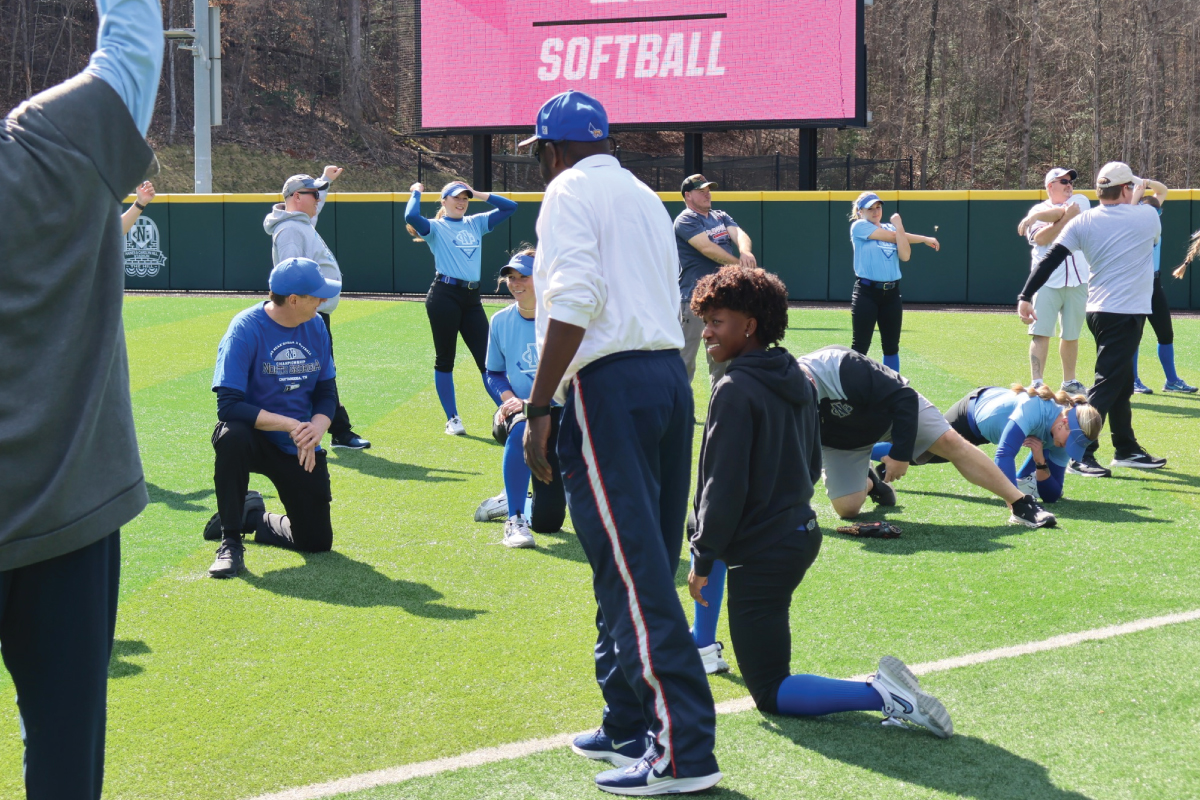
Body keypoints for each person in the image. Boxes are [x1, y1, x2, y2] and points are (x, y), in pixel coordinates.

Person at [519, 90, 721, 796]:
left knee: (633, 568)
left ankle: (684, 751)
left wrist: (540, 406)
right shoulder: (641, 191)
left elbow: (573, 300)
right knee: (634, 559)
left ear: (552, 148)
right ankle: (628, 721)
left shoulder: (569, 189)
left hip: (609, 385)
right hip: (666, 375)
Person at [0, 0, 162, 796]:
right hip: (67, 518)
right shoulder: (54, 145)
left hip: (70, 518)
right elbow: (132, 44)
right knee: (65, 759)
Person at [685, 266, 952, 738]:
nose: (706, 331)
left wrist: (704, 555)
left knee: (770, 690)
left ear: (750, 323)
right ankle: (703, 646)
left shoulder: (733, 388)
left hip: (762, 551)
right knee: (768, 657)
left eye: (717, 320)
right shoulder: (794, 373)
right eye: (705, 320)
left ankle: (882, 694)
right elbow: (811, 464)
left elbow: (720, 487)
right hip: (797, 535)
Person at [797, 345, 1057, 528]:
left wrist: (900, 454)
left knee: (949, 441)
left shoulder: (840, 365)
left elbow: (905, 399)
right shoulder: (774, 399)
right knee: (847, 509)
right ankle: (871, 483)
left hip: (890, 414)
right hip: (840, 441)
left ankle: (1021, 504)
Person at [1018, 162, 1167, 477]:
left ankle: (1126, 448)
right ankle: (1078, 451)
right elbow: (1151, 218)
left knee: (1123, 381)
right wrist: (1138, 189)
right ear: (1125, 189)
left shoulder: (1083, 220)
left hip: (1098, 311)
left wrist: (1024, 295)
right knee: (1108, 383)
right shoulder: (1146, 216)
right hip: (1124, 313)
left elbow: (1048, 260)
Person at [206, 258, 342, 578]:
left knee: (316, 541)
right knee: (231, 436)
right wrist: (291, 424)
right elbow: (228, 405)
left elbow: (327, 392)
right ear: (293, 300)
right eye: (316, 296)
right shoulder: (245, 328)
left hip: (298, 445)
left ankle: (252, 517)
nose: (323, 301)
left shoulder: (317, 325)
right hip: (255, 437)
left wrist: (317, 427)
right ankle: (231, 542)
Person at [264, 166, 371, 450]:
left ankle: (331, 429)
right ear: (297, 197)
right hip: (305, 313)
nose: (317, 199)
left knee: (318, 370)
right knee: (316, 372)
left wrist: (325, 181)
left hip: (313, 311)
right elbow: (290, 277)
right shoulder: (290, 230)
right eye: (313, 194)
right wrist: (300, 315)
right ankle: (334, 431)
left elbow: (316, 205)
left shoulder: (299, 222)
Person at [405, 180, 518, 435]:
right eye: (456, 197)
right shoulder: (435, 227)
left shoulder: (475, 223)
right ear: (443, 202)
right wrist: (417, 192)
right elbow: (411, 215)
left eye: (465, 198)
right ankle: (452, 419)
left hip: (472, 298)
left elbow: (510, 207)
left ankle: (509, 413)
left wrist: (478, 193)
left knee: (488, 362)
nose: (462, 202)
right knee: (445, 359)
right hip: (444, 295)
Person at [876, 384, 1103, 503]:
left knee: (917, 455)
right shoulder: (1035, 409)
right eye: (1071, 441)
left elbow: (1053, 495)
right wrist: (1017, 501)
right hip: (971, 415)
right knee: (917, 455)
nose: (1067, 447)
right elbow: (1003, 455)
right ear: (1064, 422)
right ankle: (863, 449)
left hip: (986, 431)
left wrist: (1040, 462)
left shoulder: (1059, 438)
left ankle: (882, 459)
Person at [479, 249, 566, 548]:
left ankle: (513, 495)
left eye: (524, 277)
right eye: (511, 278)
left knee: (549, 522)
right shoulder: (500, 320)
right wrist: (508, 400)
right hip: (518, 413)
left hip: (558, 411)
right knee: (520, 428)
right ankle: (514, 518)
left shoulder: (563, 319)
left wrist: (534, 403)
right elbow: (493, 372)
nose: (516, 283)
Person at [674, 173, 756, 387]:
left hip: (723, 298)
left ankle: (721, 409)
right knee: (685, 360)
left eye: (708, 190)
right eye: (701, 191)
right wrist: (739, 264)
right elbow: (707, 248)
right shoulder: (686, 219)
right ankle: (678, 414)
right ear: (688, 195)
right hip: (693, 298)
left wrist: (745, 252)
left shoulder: (720, 215)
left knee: (722, 359)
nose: (707, 194)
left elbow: (740, 234)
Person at [1015, 168, 1091, 393]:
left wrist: (1040, 218)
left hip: (1078, 279)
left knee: (1071, 335)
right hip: (1047, 281)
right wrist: (1056, 217)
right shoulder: (1038, 208)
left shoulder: (1080, 200)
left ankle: (1069, 382)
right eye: (1064, 181)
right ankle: (1037, 382)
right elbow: (1041, 238)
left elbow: (1066, 213)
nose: (1069, 185)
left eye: (1071, 182)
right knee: (1041, 333)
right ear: (1050, 186)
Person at [847, 191, 939, 373]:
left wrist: (912, 234)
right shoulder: (859, 226)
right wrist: (914, 234)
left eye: (878, 207)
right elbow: (892, 237)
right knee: (860, 346)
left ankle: (893, 388)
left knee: (891, 346)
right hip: (867, 292)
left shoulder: (892, 229)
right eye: (870, 209)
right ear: (860, 211)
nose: (875, 212)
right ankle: (852, 387)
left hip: (891, 294)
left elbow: (905, 256)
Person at [1130, 185, 1195, 394]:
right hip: (1135, 285)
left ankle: (1172, 381)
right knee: (1134, 335)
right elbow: (1131, 209)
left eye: (1158, 212)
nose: (1156, 215)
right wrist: (1137, 191)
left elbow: (1162, 191)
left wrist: (1144, 181)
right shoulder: (1131, 223)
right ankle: (1132, 380)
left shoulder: (1154, 222)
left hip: (1154, 284)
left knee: (1166, 333)